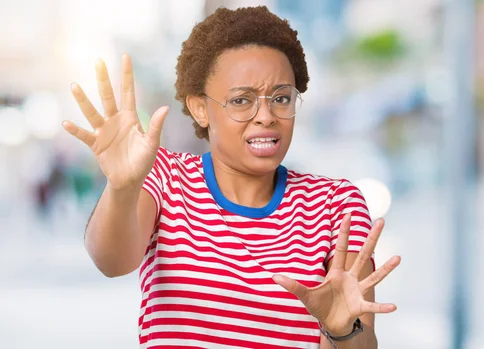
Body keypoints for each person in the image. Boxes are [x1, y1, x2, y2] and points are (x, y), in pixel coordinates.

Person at [62, 6, 401, 349]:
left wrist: (341, 330)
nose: (266, 116)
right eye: (242, 100)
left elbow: (360, 341)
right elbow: (111, 260)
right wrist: (121, 187)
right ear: (200, 108)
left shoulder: (336, 205)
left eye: (281, 98)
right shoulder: (166, 176)